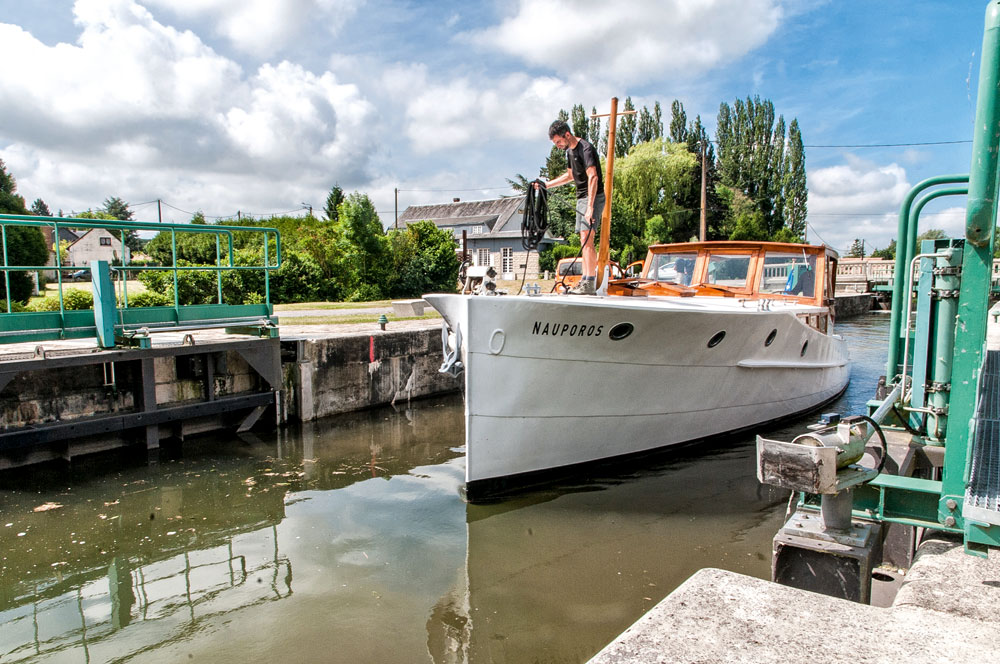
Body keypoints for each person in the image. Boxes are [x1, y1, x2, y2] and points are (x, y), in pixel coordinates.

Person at [536, 120, 605, 294]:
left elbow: (593, 177)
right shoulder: (569, 152)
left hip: (593, 196)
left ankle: (589, 282)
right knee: (583, 239)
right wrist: (546, 185)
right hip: (581, 197)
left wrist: (590, 207)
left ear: (567, 135)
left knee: (586, 238)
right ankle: (585, 280)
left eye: (558, 141)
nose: (558, 146)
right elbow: (570, 176)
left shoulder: (585, 148)